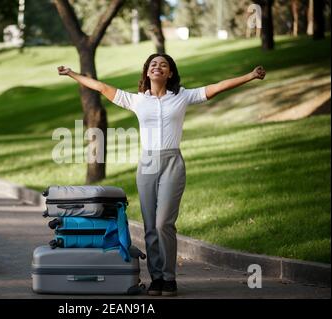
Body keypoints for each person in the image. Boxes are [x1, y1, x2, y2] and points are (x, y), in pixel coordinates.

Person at [57, 54, 266, 296]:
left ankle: (169, 277)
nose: (157, 67)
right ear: (147, 72)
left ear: (170, 74)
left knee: (163, 223)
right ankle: (156, 278)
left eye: (163, 65)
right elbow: (101, 86)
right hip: (147, 163)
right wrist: (72, 74)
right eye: (153, 64)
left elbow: (216, 88)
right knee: (149, 226)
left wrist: (250, 76)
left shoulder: (182, 96)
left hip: (172, 162)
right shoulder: (136, 100)